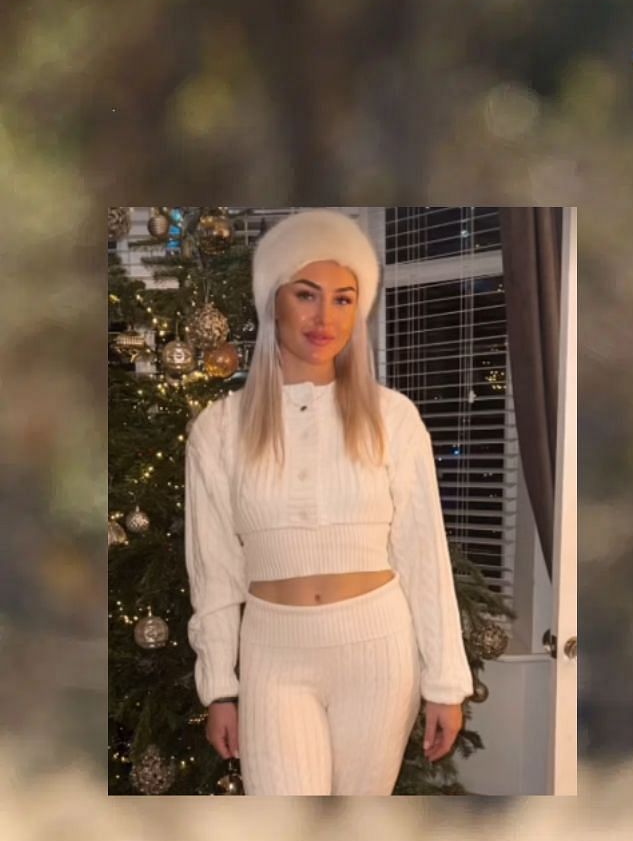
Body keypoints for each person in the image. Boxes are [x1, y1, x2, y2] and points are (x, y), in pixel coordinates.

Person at [184, 209, 474, 795]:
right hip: (274, 654)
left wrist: (445, 682)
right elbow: (213, 571)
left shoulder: (393, 417)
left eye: (344, 299)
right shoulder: (219, 429)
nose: (325, 318)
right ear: (274, 303)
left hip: (377, 651)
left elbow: (423, 552)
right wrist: (219, 685)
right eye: (307, 295)